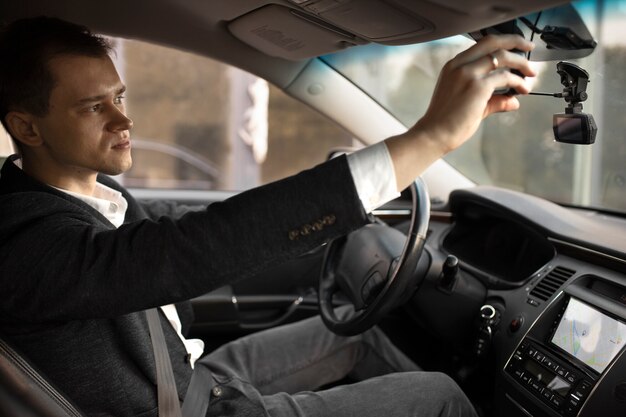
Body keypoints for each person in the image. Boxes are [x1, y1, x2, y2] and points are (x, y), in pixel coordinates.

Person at [0, 16, 535, 417]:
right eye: (94, 107)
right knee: (437, 396)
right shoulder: (26, 242)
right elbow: (200, 246)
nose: (124, 118)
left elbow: (215, 223)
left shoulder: (90, 196)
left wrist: (341, 233)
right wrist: (430, 137)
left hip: (191, 377)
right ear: (27, 128)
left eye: (118, 96)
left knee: (359, 334)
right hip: (181, 409)